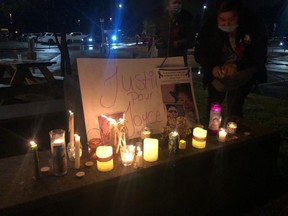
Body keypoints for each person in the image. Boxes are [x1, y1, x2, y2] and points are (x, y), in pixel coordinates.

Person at [194, 0, 268, 119]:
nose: (227, 23)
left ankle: (233, 130)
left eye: (231, 19)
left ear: (238, 16)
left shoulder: (252, 25)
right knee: (214, 107)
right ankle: (212, 130)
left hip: (243, 73)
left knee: (235, 108)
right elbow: (200, 53)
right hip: (218, 75)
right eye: (222, 20)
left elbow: (258, 54)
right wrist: (212, 67)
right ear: (216, 17)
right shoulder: (209, 28)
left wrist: (237, 65)